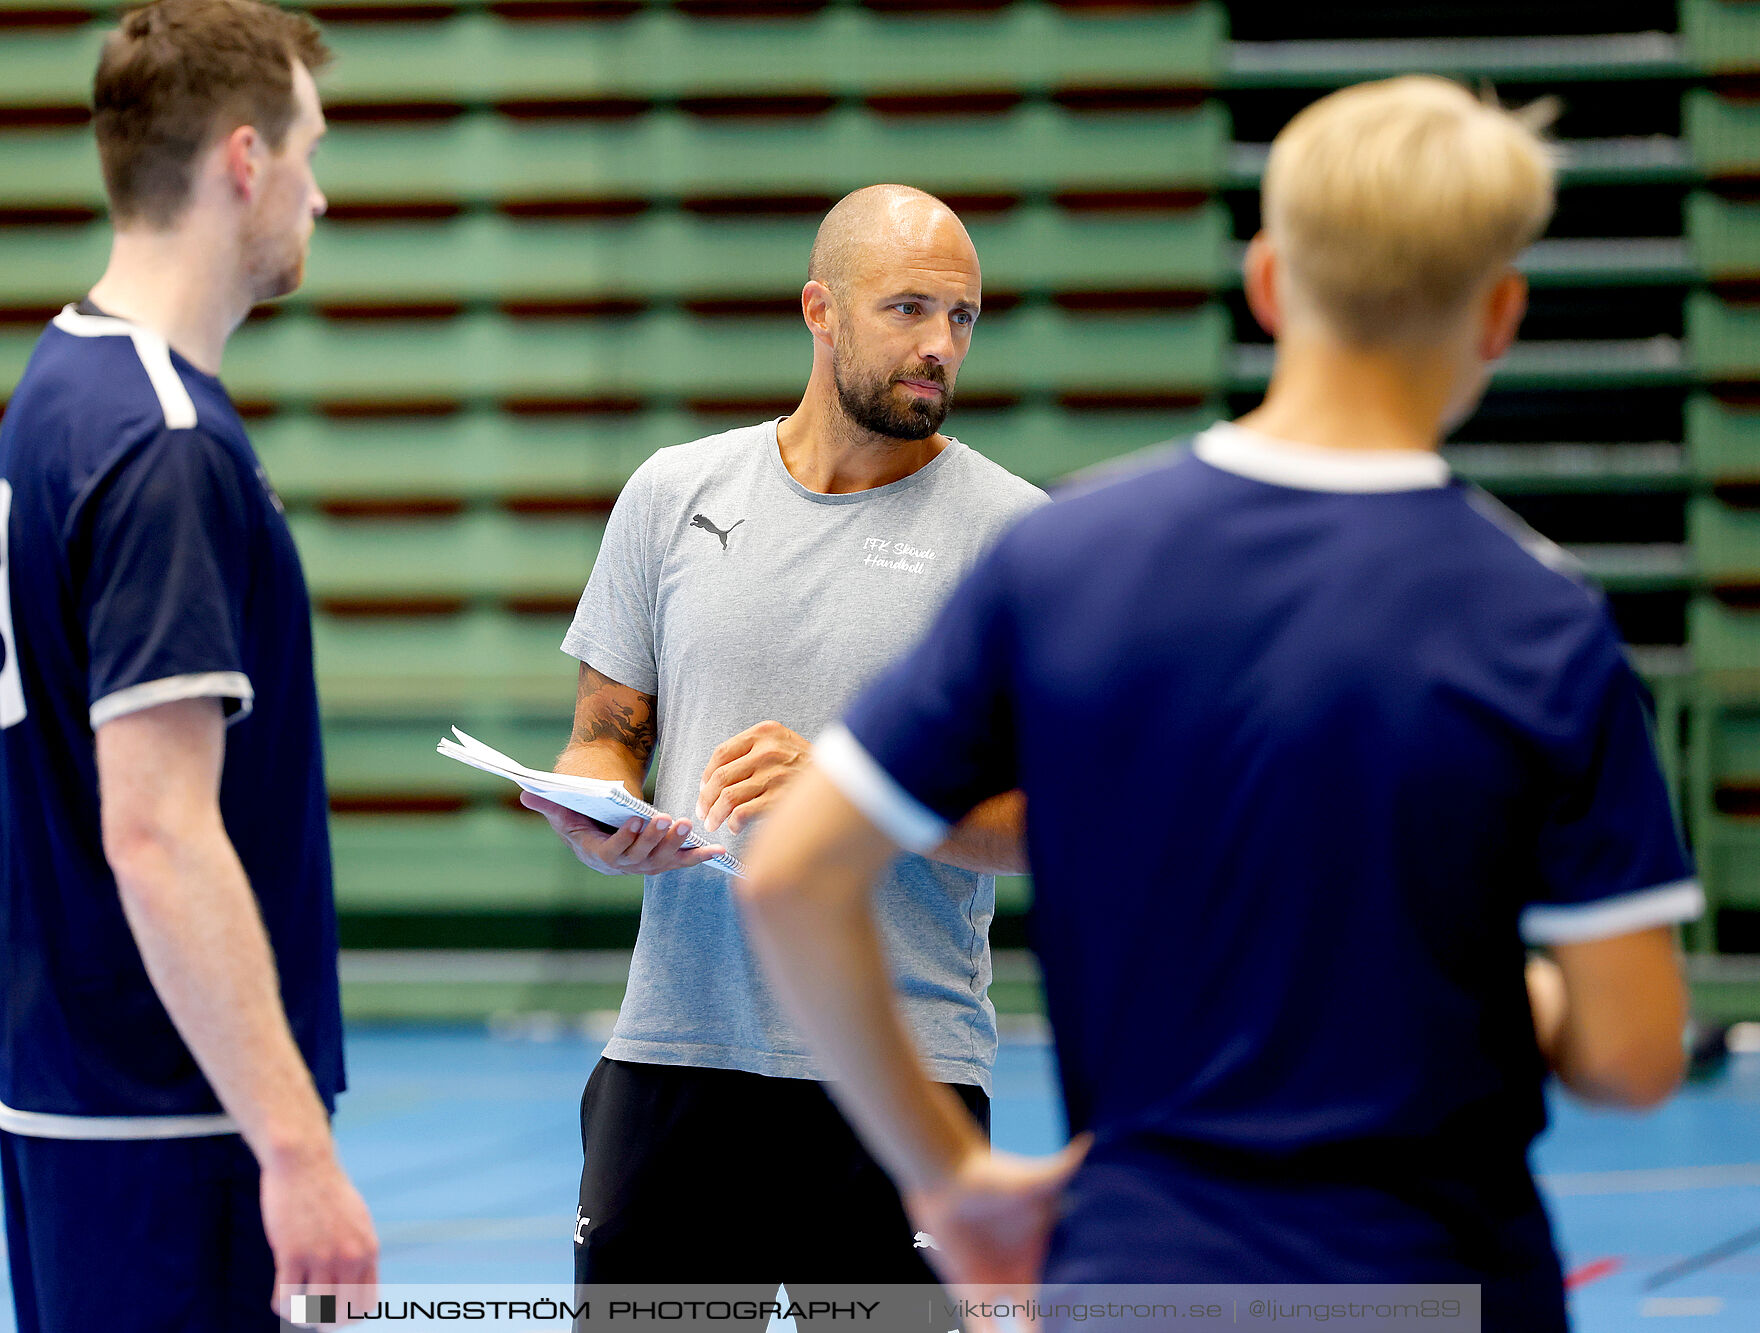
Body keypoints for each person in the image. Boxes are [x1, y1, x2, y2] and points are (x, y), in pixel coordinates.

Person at [738, 77, 1701, 1329]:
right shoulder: (1541, 619)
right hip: (1437, 1283)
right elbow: (1629, 1056)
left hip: (1140, 1279)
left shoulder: (1064, 558)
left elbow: (788, 875)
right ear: (1499, 314)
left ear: (1264, 279)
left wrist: (952, 1175)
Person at [519, 184, 1046, 1289]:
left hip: (903, 1076)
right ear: (819, 309)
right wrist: (594, 809)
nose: (939, 346)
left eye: (961, 318)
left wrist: (854, 794)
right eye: (907, 309)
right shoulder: (673, 493)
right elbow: (602, 733)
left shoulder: (1019, 539)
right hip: (673, 1054)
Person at [0, 2, 376, 1328]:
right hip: (176, 1134)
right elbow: (156, 829)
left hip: (75, 1104)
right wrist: (295, 1147)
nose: (318, 194)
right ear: (241, 161)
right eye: (309, 151)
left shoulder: (53, 389)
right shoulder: (161, 442)